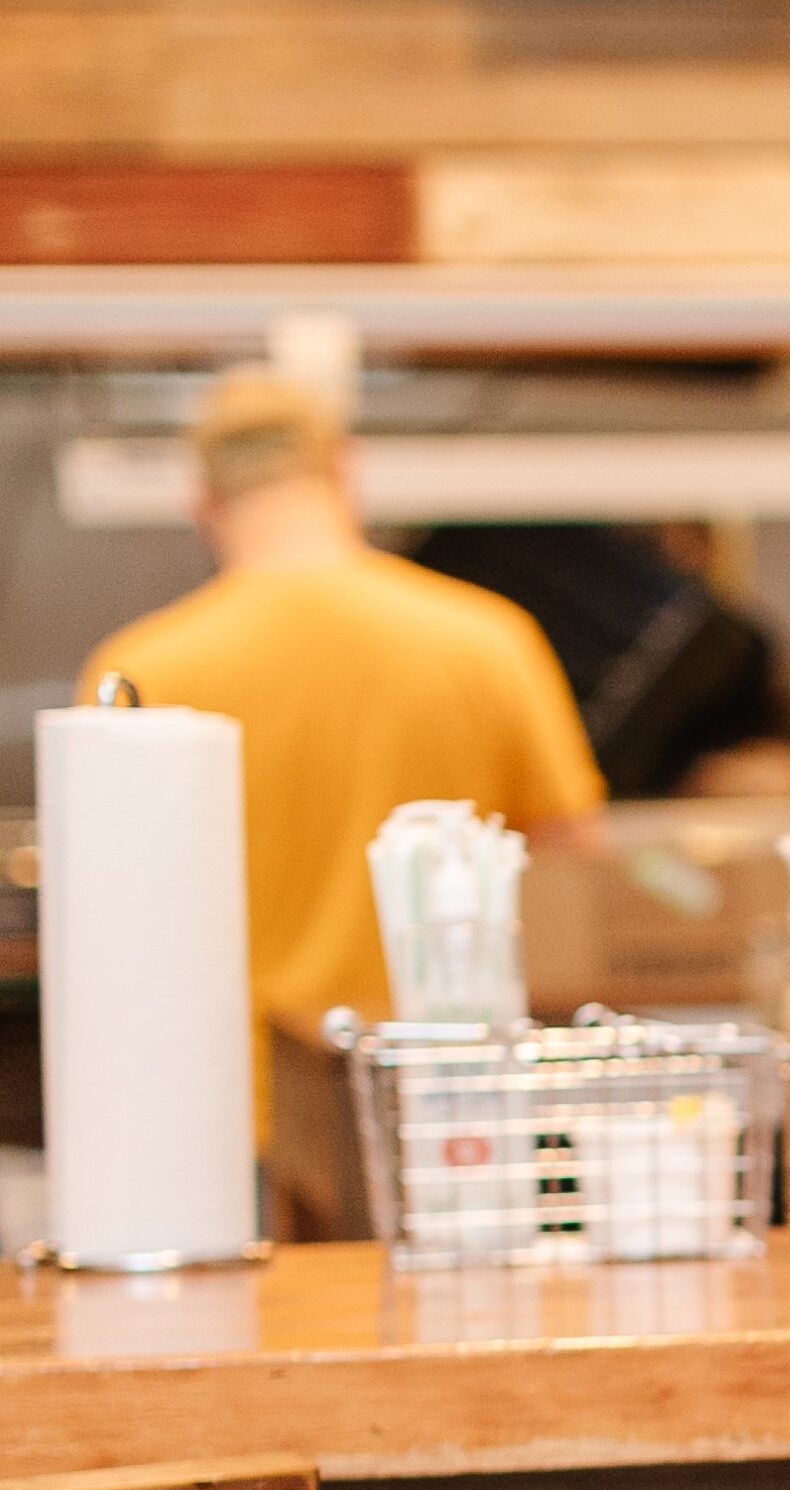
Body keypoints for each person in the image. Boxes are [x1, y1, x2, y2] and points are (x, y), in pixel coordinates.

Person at [82, 370, 601, 1120]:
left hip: (231, 1117)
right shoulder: (486, 640)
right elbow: (568, 870)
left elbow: (110, 919)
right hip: (443, 1103)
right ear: (344, 470)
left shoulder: (139, 671)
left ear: (203, 505)